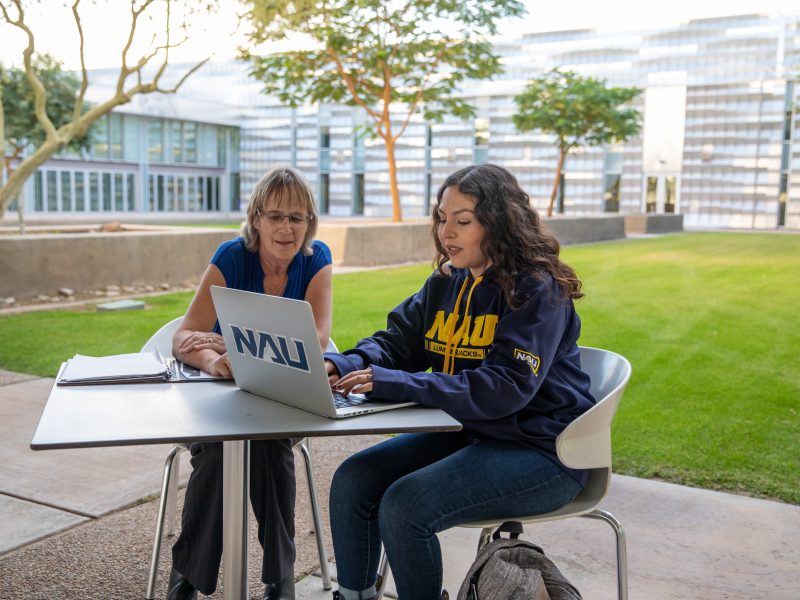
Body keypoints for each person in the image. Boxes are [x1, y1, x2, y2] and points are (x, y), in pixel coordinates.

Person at [324, 163, 596, 600]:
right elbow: (398, 342)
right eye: (441, 218)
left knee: (405, 505)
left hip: (545, 451)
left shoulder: (537, 290)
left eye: (462, 221)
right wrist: (344, 363)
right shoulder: (447, 281)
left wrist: (395, 383)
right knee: (355, 479)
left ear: (499, 223)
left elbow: (504, 388)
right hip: (473, 433)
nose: (446, 232)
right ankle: (354, 595)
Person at [167, 166, 332, 600]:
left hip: (287, 394)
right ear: (256, 218)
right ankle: (194, 578)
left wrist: (237, 348)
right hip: (223, 396)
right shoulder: (231, 256)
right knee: (224, 447)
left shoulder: (317, 260)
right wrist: (215, 361)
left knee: (269, 442)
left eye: (297, 218)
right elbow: (184, 336)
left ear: (309, 223)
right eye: (275, 215)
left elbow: (315, 340)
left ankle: (277, 579)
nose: (286, 228)